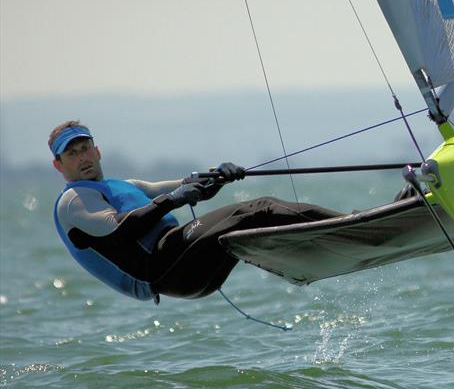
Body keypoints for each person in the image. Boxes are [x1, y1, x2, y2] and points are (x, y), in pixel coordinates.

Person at [50, 120, 340, 303]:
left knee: (248, 231)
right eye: (71, 154)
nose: (82, 158)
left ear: (97, 151)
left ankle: (313, 259)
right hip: (165, 268)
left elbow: (185, 186)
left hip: (185, 265)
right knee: (259, 209)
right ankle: (346, 224)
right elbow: (121, 228)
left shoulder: (125, 185)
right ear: (59, 166)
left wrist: (217, 176)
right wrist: (174, 200)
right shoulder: (73, 201)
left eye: (85, 148)